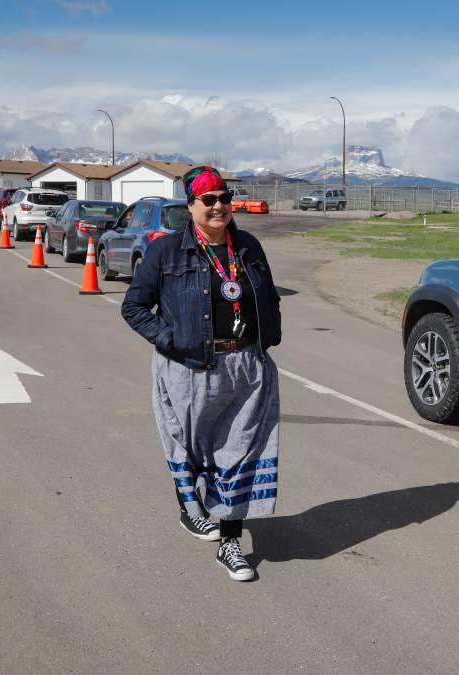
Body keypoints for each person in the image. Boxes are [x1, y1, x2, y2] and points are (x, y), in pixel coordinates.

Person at [121, 166, 282, 581]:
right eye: (208, 199)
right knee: (191, 451)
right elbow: (134, 307)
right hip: (189, 368)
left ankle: (231, 543)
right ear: (190, 205)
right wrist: (172, 340)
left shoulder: (248, 247)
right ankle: (189, 506)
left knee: (241, 453)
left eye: (224, 198)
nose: (218, 206)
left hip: (245, 367)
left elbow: (267, 297)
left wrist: (268, 338)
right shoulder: (165, 252)